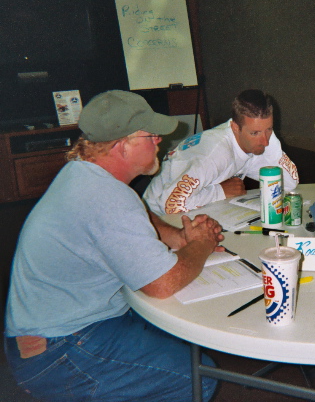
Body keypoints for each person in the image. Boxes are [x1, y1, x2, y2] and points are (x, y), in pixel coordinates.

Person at [4, 90, 224, 402]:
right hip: (60, 350)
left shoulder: (84, 173)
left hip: (54, 333)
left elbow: (136, 215)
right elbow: (162, 284)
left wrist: (179, 239)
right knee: (198, 377)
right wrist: (200, 244)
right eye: (151, 135)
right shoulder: (106, 198)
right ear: (122, 146)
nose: (159, 141)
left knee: (180, 329)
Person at [144, 89, 299, 214]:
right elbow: (170, 205)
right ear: (235, 127)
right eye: (255, 133)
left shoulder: (258, 142)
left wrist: (271, 143)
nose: (265, 141)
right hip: (156, 217)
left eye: (269, 129)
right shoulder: (214, 154)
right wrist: (220, 191)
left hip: (196, 207)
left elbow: (290, 183)